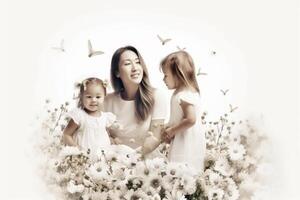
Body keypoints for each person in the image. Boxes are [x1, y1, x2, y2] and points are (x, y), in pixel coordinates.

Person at [104, 46, 167, 154]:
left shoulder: (157, 96)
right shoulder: (107, 101)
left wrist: (133, 159)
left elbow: (155, 138)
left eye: (138, 62)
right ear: (117, 73)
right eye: (127, 64)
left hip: (146, 162)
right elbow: (102, 136)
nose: (135, 68)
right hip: (115, 161)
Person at [160, 51, 206, 172]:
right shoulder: (182, 93)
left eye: (166, 75)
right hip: (183, 137)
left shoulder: (185, 95)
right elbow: (179, 117)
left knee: (182, 169)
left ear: (177, 75)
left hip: (186, 141)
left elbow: (190, 120)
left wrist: (172, 131)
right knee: (180, 169)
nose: (163, 79)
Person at [63, 77, 118, 159]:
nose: (93, 100)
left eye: (98, 97)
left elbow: (106, 133)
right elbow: (66, 134)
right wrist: (77, 150)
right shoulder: (79, 116)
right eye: (89, 97)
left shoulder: (105, 117)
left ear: (104, 97)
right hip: (83, 157)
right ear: (81, 97)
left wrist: (114, 139)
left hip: (102, 157)